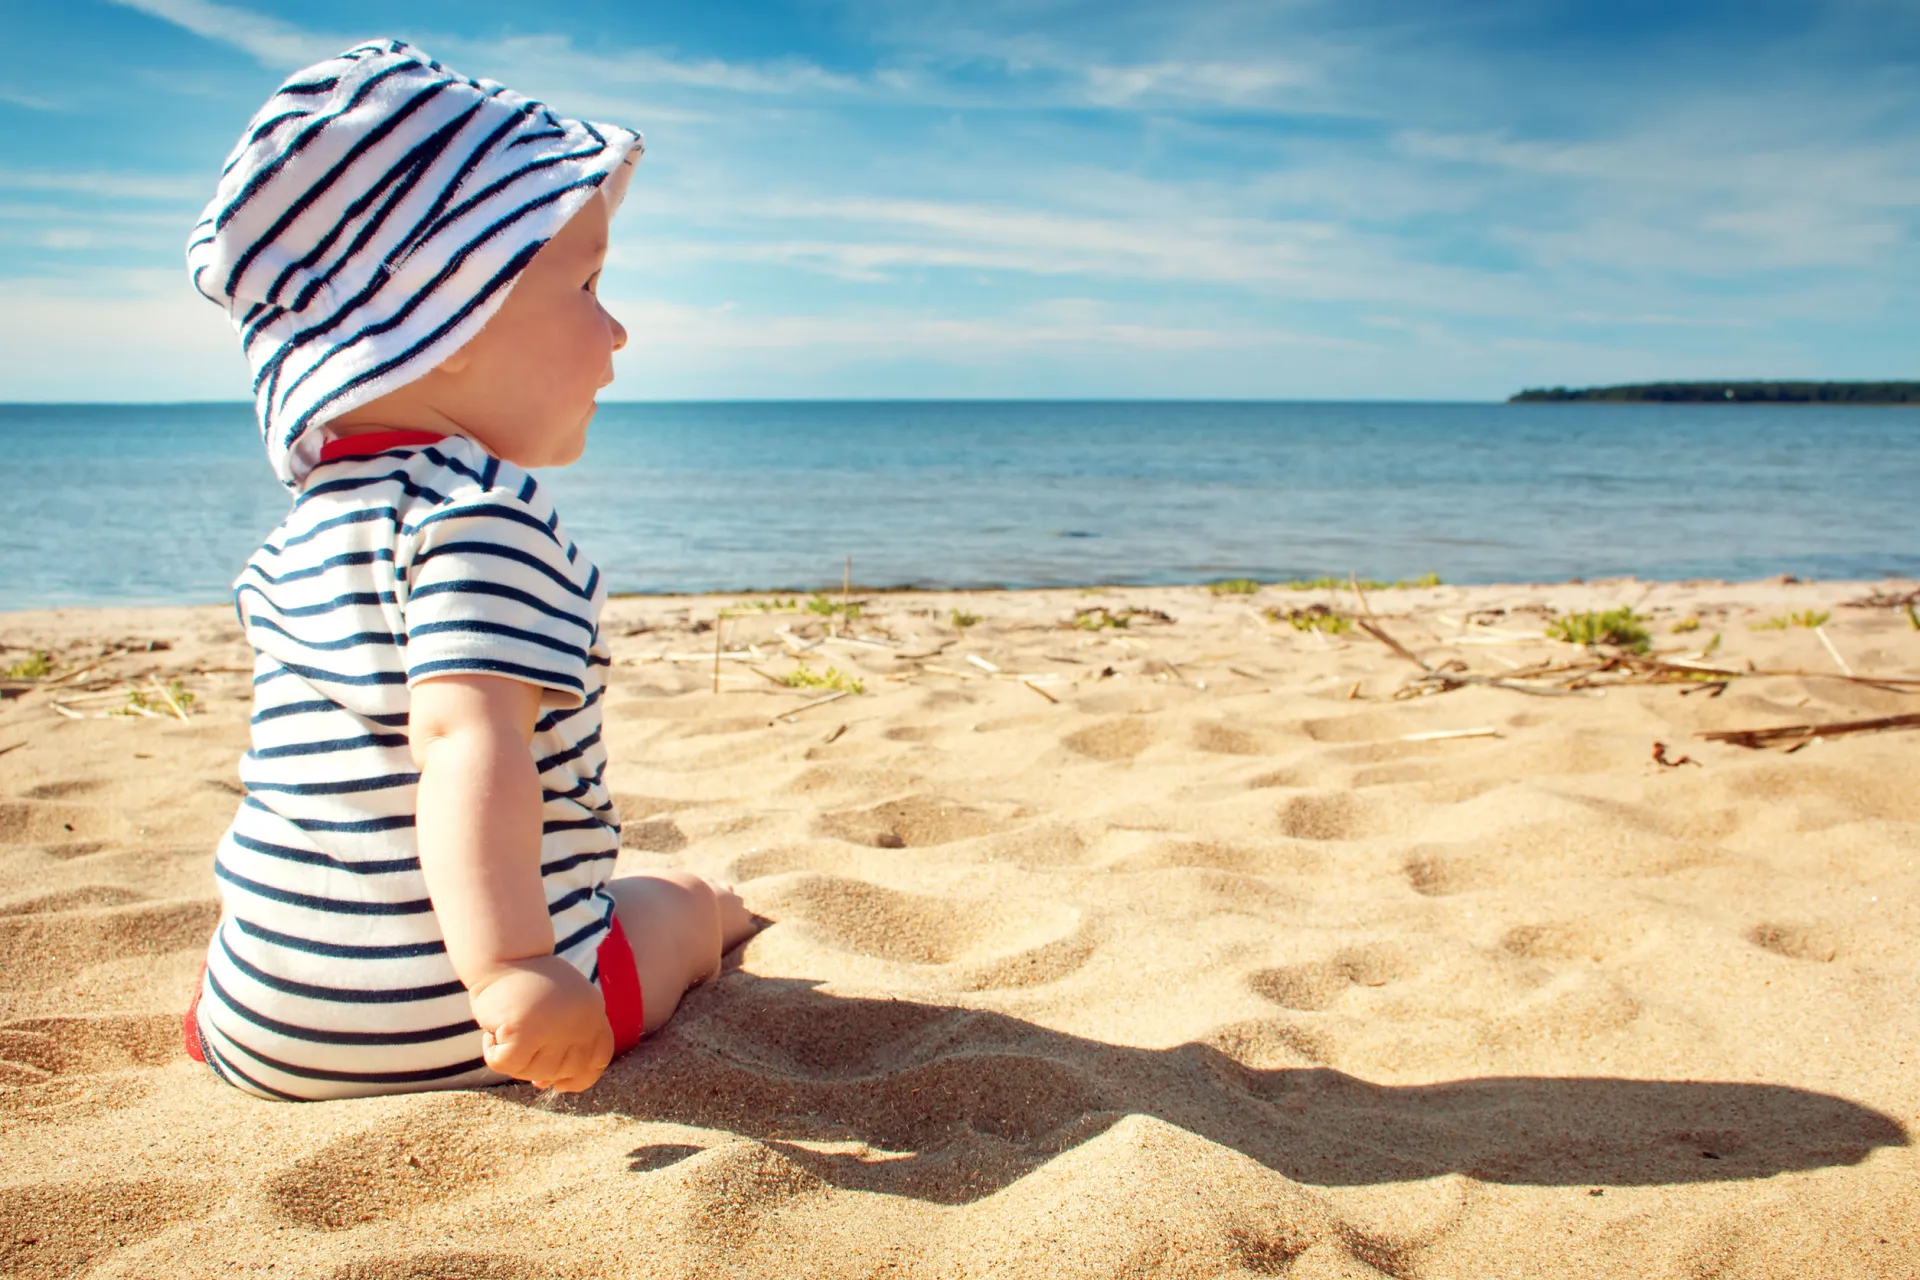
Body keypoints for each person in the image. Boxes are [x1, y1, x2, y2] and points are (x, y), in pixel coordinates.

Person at [179, 38, 753, 1101]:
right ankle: (716, 911)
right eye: (586, 281)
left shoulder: (294, 542)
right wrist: (516, 969)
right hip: (455, 1019)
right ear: (446, 316)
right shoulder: (478, 518)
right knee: (669, 904)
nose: (617, 327)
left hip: (254, 1021)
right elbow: (459, 741)